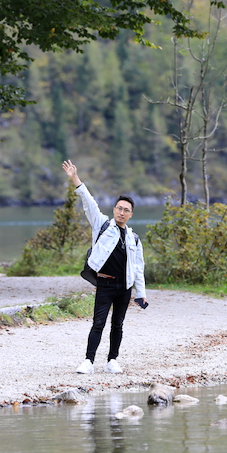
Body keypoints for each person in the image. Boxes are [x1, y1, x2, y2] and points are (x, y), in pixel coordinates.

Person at [63, 159, 148, 374]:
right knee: (98, 322)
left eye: (126, 210)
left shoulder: (134, 238)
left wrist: (141, 293)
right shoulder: (102, 225)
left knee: (117, 325)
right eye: (119, 208)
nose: (121, 212)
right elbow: (89, 202)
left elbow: (138, 268)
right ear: (114, 209)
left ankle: (112, 360)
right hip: (105, 283)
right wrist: (75, 178)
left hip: (124, 287)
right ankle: (88, 361)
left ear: (131, 215)